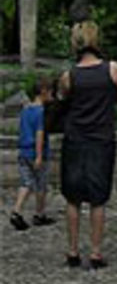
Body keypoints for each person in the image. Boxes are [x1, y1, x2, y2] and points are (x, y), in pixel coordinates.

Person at [59, 20, 117, 269]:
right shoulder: (112, 69)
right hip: (102, 138)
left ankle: (73, 250)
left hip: (75, 139)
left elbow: (64, 101)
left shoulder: (69, 76)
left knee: (73, 197)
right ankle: (96, 252)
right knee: (98, 198)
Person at [9, 76, 56, 231]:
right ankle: (39, 214)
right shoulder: (41, 112)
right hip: (36, 151)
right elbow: (39, 133)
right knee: (41, 185)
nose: (52, 95)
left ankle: (16, 211)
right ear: (43, 92)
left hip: (23, 150)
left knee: (26, 183)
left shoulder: (26, 109)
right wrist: (39, 155)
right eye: (50, 92)